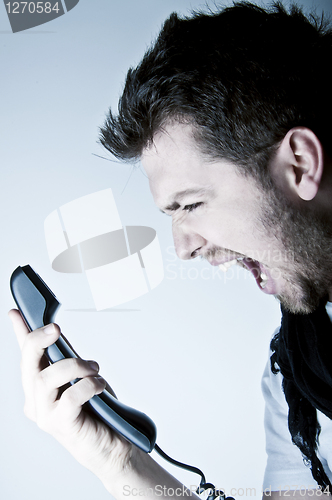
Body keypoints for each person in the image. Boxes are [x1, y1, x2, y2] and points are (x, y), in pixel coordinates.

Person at [9, 1, 332, 498]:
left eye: (191, 204)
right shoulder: (299, 374)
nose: (183, 248)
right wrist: (120, 462)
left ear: (299, 164)